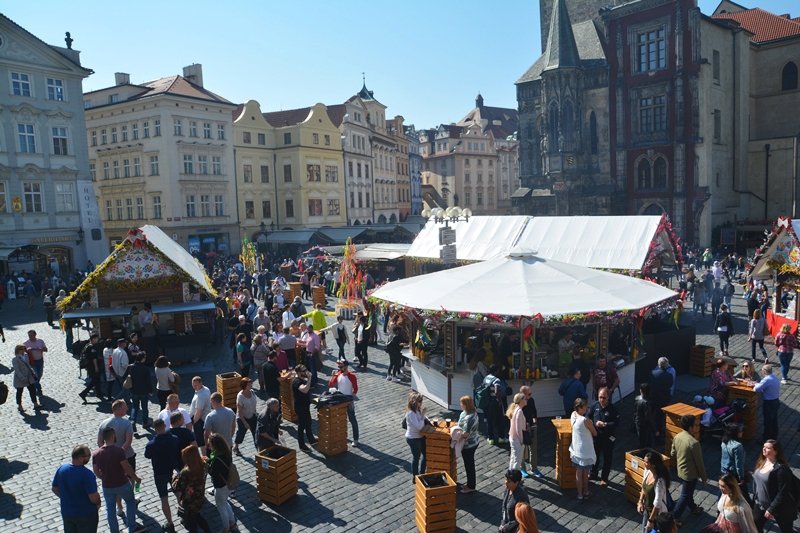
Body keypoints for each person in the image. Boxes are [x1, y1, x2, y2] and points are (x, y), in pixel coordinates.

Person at [92, 427, 142, 533]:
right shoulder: (118, 451)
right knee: (130, 502)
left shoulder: (96, 454)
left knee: (110, 509)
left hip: (107, 486)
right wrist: (136, 478)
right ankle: (132, 527)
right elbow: (127, 467)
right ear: (113, 436)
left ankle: (114, 531)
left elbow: (96, 471)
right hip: (122, 483)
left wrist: (103, 477)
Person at [52, 444, 101, 533]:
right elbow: (93, 498)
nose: (89, 458)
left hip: (67, 513)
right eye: (88, 456)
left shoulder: (62, 469)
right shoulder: (87, 475)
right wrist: (98, 503)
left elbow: (55, 488)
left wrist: (67, 498)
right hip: (86, 515)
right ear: (80, 458)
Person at [751, 439, 797, 532]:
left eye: (767, 448)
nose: (764, 449)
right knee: (755, 526)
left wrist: (771, 509)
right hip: (760, 505)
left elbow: (783, 492)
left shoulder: (782, 469)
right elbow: (756, 481)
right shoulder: (762, 461)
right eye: (763, 447)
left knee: (787, 530)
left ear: (775, 451)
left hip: (779, 508)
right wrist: (755, 498)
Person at [670, 414, 707, 526]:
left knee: (688, 492)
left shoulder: (678, 436)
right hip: (690, 474)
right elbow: (699, 463)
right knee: (685, 495)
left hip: (681, 470)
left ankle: (693, 508)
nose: (697, 427)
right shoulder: (694, 443)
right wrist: (704, 478)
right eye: (695, 425)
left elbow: (672, 453)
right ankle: (675, 517)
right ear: (690, 427)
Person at [144, 419, 180, 533]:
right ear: (165, 426)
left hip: (159, 473)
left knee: (164, 499)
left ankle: (170, 523)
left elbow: (147, 456)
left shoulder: (151, 444)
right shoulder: (174, 439)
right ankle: (185, 514)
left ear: (154, 429)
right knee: (178, 493)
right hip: (173, 471)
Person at [172, 445, 211, 533]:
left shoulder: (186, 472)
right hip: (199, 496)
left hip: (189, 500)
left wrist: (175, 476)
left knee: (192, 522)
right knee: (197, 516)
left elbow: (177, 487)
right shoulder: (204, 464)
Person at [588, 387, 620, 486]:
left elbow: (617, 423)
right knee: (594, 456)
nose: (601, 400)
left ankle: (604, 478)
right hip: (596, 437)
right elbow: (588, 417)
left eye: (604, 398)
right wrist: (592, 424)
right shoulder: (594, 406)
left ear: (608, 397)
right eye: (600, 397)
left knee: (607, 458)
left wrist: (605, 424)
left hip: (608, 438)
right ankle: (593, 473)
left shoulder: (613, 409)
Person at [206, 433, 237, 533]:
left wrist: (207, 465)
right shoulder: (227, 453)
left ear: (215, 445)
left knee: (221, 508)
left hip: (220, 487)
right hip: (229, 484)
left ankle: (226, 528)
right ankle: (232, 523)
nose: (209, 446)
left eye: (210, 444)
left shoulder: (216, 460)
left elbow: (213, 473)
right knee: (225, 503)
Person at [569, 397, 597, 500]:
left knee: (578, 473)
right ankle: (586, 491)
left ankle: (580, 494)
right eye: (585, 406)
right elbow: (595, 433)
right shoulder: (585, 420)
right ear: (580, 408)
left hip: (576, 450)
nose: (587, 408)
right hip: (585, 451)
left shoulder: (573, 415)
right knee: (585, 473)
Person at [328, 360, 360, 446]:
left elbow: (355, 389)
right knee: (339, 419)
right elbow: (331, 385)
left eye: (341, 367)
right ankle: (341, 437)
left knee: (352, 419)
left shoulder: (352, 376)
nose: (340, 369)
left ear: (346, 366)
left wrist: (351, 399)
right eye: (339, 367)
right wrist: (333, 376)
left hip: (348, 400)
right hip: (339, 400)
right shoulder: (338, 374)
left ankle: (355, 439)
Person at [637, 451, 670, 533]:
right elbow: (643, 486)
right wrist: (640, 501)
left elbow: (657, 504)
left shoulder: (660, 481)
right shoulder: (647, 471)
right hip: (647, 510)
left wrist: (650, 521)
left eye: (646, 462)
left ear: (653, 465)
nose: (644, 463)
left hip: (657, 515)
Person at [405, 391, 430, 483]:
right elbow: (419, 426)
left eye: (421, 401)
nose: (421, 403)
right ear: (414, 402)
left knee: (426, 455)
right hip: (413, 438)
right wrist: (423, 415)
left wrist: (427, 419)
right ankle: (415, 477)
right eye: (420, 401)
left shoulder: (417, 410)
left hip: (420, 436)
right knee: (416, 457)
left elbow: (422, 420)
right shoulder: (411, 413)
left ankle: (421, 474)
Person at [519, 385, 543, 479]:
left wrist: (534, 420)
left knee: (533, 448)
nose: (531, 395)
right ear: (523, 394)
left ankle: (534, 468)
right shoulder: (518, 403)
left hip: (532, 427)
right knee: (522, 450)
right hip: (523, 429)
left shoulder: (531, 400)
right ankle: (523, 469)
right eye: (529, 394)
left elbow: (534, 411)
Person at [457, 395, 479, 493]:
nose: (460, 405)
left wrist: (455, 437)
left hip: (469, 445)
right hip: (471, 442)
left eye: (462, 403)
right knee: (469, 464)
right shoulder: (468, 412)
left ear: (466, 405)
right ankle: (470, 483)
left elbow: (465, 434)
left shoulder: (470, 417)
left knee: (469, 465)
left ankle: (471, 486)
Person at [292, 364, 316, 451]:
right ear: (298, 372)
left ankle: (311, 440)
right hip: (300, 407)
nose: (306, 371)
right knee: (301, 426)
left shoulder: (302, 379)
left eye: (306, 369)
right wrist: (309, 378)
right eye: (303, 370)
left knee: (308, 422)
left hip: (305, 406)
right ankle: (302, 445)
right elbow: (305, 390)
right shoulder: (297, 382)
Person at [753, 364, 780, 442]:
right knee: (774, 420)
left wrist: (754, 385)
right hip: (775, 401)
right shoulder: (774, 377)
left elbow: (756, 389)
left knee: (767, 421)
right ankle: (774, 436)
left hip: (769, 403)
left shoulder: (767, 379)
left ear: (764, 371)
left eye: (762, 370)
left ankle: (766, 439)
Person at [482, 365, 508, 445]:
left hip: (487, 402)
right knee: (500, 420)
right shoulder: (496, 380)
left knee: (489, 420)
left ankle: (491, 439)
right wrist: (499, 400)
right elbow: (497, 392)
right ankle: (501, 438)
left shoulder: (486, 378)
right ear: (496, 371)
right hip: (495, 403)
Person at [650, 358, 674, 441]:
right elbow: (670, 385)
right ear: (667, 365)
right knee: (661, 417)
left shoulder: (653, 373)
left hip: (654, 398)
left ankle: (653, 432)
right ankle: (660, 435)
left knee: (653, 415)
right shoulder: (669, 375)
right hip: (664, 399)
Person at [128, 353, 153, 430]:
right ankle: (145, 423)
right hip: (143, 391)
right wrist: (150, 390)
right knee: (144, 407)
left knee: (135, 407)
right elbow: (148, 381)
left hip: (134, 390)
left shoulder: (131, 367)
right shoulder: (145, 369)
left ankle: (132, 421)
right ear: (142, 359)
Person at [233, 377, 258, 454]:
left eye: (251, 384)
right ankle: (236, 447)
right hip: (242, 418)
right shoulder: (240, 396)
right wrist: (245, 423)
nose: (251, 386)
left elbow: (254, 406)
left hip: (252, 416)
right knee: (241, 433)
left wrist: (256, 414)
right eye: (249, 385)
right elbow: (239, 411)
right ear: (244, 386)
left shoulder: (252, 392)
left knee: (256, 433)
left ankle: (258, 449)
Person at [500, 469, 530, 533]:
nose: (506, 482)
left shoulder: (522, 497)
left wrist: (507, 527)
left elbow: (521, 518)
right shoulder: (508, 488)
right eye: (506, 479)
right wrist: (503, 523)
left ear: (516, 482)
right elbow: (504, 507)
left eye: (509, 481)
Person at [12, 343, 39, 412]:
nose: (24, 350)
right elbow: (17, 370)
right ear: (18, 350)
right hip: (20, 378)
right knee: (19, 392)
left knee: (32, 390)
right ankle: (19, 406)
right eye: (22, 349)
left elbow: (29, 365)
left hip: (29, 377)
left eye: (24, 348)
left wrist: (33, 373)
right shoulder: (15, 359)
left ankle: (35, 404)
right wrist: (22, 378)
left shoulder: (25, 356)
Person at [79, 333, 105, 403]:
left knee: (97, 380)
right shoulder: (92, 347)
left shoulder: (87, 345)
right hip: (93, 367)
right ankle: (83, 393)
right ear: (93, 339)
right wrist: (96, 367)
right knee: (94, 381)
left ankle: (99, 393)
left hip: (90, 366)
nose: (97, 340)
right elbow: (94, 359)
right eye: (96, 339)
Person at [190, 377, 212, 453]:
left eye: (196, 385)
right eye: (193, 385)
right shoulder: (205, 389)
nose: (194, 387)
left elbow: (198, 412)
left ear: (201, 383)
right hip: (205, 418)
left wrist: (193, 423)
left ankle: (205, 458)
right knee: (206, 438)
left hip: (199, 421)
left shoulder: (200, 396)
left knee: (201, 442)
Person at [23, 329, 47, 397]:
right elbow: (22, 352)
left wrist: (41, 349)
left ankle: (35, 386)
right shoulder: (26, 343)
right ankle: (39, 390)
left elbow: (46, 349)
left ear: (35, 335)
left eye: (31, 335)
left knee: (39, 375)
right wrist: (27, 350)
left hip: (40, 360)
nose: (30, 336)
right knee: (35, 376)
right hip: (32, 362)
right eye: (29, 335)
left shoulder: (40, 341)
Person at [507, 393, 527, 471]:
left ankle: (510, 474)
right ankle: (515, 479)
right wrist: (522, 441)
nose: (526, 400)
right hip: (517, 439)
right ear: (521, 400)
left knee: (513, 458)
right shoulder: (519, 411)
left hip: (512, 437)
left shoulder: (515, 409)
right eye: (524, 398)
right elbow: (518, 428)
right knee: (517, 460)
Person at [634, 383, 656, 448]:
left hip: (638, 421)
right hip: (644, 424)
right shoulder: (647, 403)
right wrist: (655, 429)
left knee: (641, 439)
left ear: (640, 390)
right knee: (645, 441)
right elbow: (648, 417)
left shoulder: (637, 398)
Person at [110, 338, 131, 404]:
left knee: (123, 388)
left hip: (116, 372)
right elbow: (124, 364)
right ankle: (115, 400)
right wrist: (129, 367)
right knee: (126, 388)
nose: (126, 344)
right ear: (122, 344)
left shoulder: (115, 350)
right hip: (123, 373)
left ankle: (127, 401)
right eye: (125, 343)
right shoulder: (123, 352)